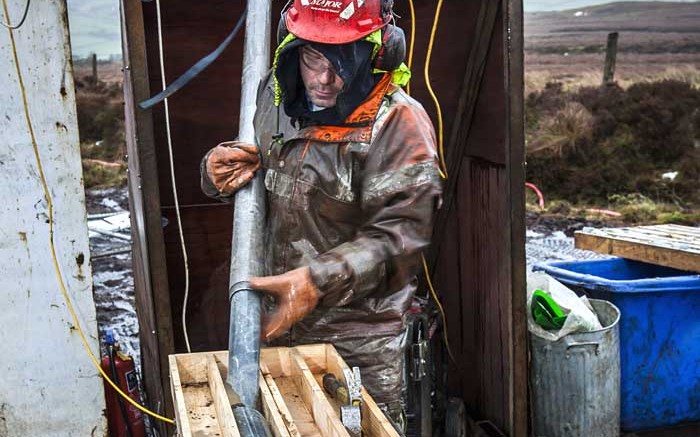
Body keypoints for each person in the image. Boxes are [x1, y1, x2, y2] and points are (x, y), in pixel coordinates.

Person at [201, 0, 441, 423]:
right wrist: (218, 173)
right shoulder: (276, 95)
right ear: (290, 48)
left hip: (358, 343)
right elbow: (273, 173)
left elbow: (401, 238)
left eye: (343, 61)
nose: (325, 80)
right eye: (313, 58)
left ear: (381, 52)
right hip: (278, 325)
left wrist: (316, 280)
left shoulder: (400, 124)